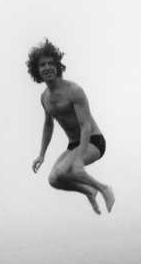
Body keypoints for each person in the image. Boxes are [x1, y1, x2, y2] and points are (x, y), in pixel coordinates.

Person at [27, 38, 115, 215]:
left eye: (51, 63)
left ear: (57, 66)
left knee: (63, 170)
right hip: (74, 144)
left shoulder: (73, 90)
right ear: (37, 70)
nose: (47, 68)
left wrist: (80, 158)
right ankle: (90, 191)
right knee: (53, 179)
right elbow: (48, 125)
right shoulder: (45, 98)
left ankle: (105, 189)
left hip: (93, 141)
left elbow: (85, 126)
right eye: (42, 65)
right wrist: (41, 155)